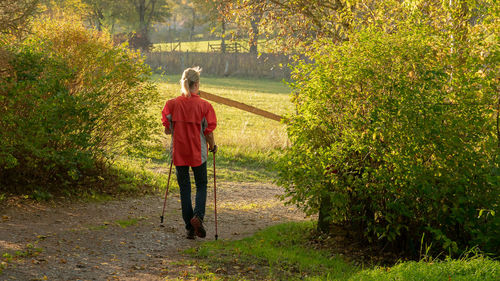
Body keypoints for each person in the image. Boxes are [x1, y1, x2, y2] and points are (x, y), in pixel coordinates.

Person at [161, 67, 217, 239]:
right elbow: (208, 131)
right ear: (197, 84)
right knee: (201, 186)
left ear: (183, 82)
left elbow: (168, 130)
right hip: (197, 153)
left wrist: (177, 127)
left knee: (184, 189)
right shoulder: (204, 106)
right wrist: (213, 146)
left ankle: (189, 228)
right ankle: (198, 217)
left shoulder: (172, 104)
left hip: (179, 152)